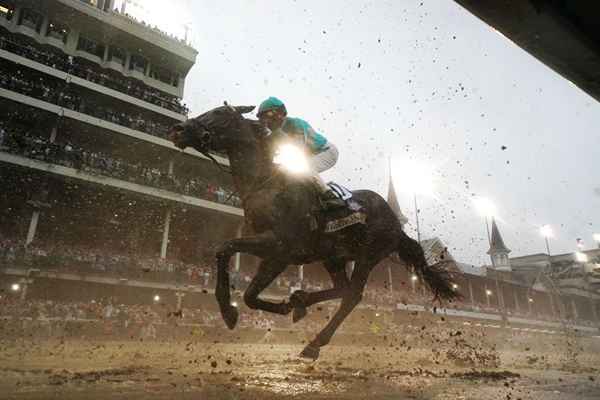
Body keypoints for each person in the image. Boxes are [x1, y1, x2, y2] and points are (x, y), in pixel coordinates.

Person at [257, 97, 345, 209]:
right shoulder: (275, 133)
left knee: (303, 167)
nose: (266, 122)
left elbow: (298, 150)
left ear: (278, 114)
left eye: (266, 117)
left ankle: (329, 196)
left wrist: (278, 135)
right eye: (263, 119)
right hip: (311, 155)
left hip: (326, 152)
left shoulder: (296, 124)